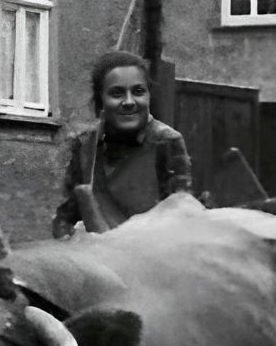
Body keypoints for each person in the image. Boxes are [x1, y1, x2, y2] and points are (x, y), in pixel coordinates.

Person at [52, 51, 195, 238]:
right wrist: (67, 239)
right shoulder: (85, 146)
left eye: (138, 91)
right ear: (101, 99)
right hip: (96, 260)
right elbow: (66, 217)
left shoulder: (166, 141)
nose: (129, 102)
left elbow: (182, 215)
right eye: (117, 93)